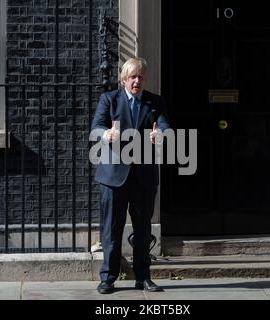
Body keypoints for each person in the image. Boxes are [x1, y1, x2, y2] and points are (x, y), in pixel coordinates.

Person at [91, 57, 170, 294]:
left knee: (143, 228)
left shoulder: (155, 102)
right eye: (133, 77)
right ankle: (108, 277)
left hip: (143, 176)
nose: (137, 81)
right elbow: (96, 127)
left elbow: (165, 125)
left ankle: (143, 277)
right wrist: (107, 136)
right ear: (124, 79)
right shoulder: (110, 99)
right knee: (111, 228)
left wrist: (161, 136)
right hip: (114, 175)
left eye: (141, 77)